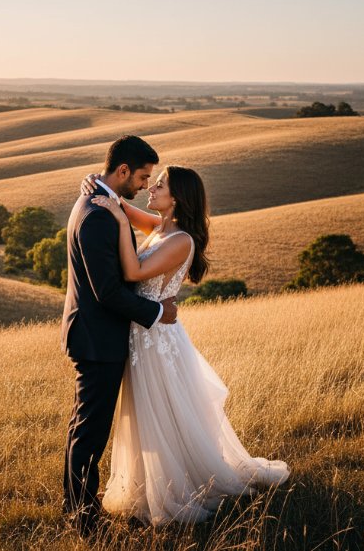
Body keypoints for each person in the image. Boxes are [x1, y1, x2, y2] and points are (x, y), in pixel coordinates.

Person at [84, 164, 290, 525]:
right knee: (148, 412)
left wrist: (116, 218)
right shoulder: (160, 226)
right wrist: (96, 184)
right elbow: (122, 205)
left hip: (156, 339)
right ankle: (145, 483)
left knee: (161, 412)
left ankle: (175, 487)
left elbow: (133, 272)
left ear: (177, 198)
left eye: (159, 185)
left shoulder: (181, 240)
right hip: (143, 332)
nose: (151, 188)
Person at [61, 135, 179, 536]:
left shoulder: (101, 201)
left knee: (84, 427)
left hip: (97, 335)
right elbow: (107, 291)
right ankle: (84, 521)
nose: (146, 185)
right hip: (97, 338)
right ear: (123, 170)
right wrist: (158, 312)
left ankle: (74, 507)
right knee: (90, 434)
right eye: (143, 177)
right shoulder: (97, 215)